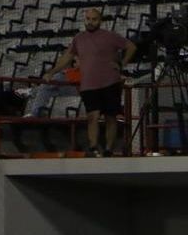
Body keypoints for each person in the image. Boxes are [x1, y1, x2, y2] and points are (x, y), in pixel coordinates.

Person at [43, 8, 136, 157]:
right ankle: (93, 147)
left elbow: (131, 47)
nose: (90, 22)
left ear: (100, 21)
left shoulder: (110, 36)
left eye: (94, 19)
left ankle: (108, 149)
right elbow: (67, 57)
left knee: (110, 117)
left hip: (110, 82)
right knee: (92, 116)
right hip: (88, 84)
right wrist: (52, 72)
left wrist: (121, 64)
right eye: (88, 19)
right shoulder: (79, 38)